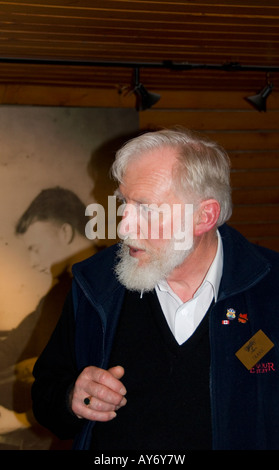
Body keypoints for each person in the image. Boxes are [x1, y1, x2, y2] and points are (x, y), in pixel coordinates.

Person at [31, 128, 279, 450]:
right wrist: (71, 397)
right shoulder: (95, 285)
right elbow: (46, 398)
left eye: (146, 209)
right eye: (123, 203)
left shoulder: (271, 288)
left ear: (204, 216)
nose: (122, 227)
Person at [0, 187, 94, 449]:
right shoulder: (59, 292)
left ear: (65, 233)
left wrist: (22, 418)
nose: (32, 261)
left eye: (34, 248)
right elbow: (14, 345)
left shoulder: (117, 284)